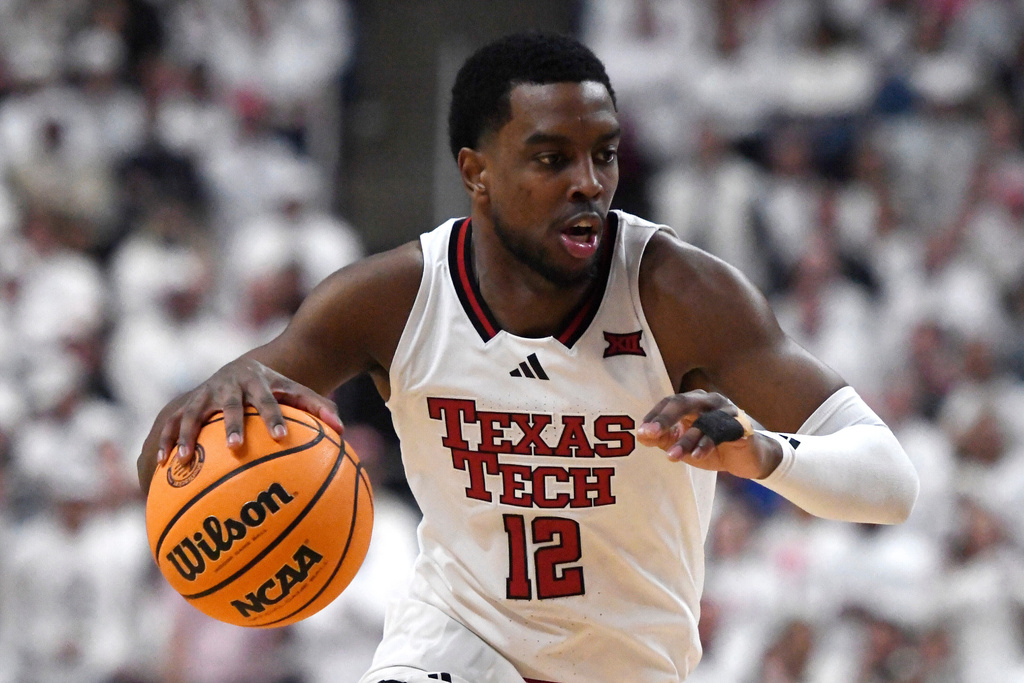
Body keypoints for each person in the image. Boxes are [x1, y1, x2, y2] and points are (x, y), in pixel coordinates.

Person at [136, 32, 919, 683]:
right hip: (452, 643)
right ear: (476, 171)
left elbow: (890, 481)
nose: (589, 183)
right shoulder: (392, 297)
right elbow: (161, 478)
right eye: (552, 159)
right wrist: (211, 402)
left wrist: (763, 452)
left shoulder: (682, 295)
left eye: (603, 155)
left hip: (628, 665)